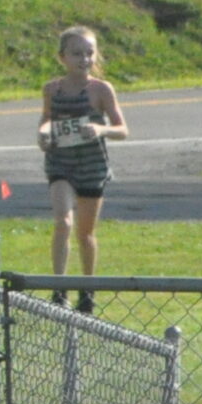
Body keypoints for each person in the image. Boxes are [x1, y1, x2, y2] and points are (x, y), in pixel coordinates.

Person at [36, 25, 129, 314]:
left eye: (89, 53)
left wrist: (100, 129)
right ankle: (59, 288)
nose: (84, 59)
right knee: (63, 221)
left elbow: (122, 129)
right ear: (62, 57)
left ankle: (87, 289)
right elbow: (46, 120)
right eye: (77, 53)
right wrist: (43, 133)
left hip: (92, 166)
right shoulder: (52, 89)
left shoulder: (101, 90)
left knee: (85, 233)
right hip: (60, 164)